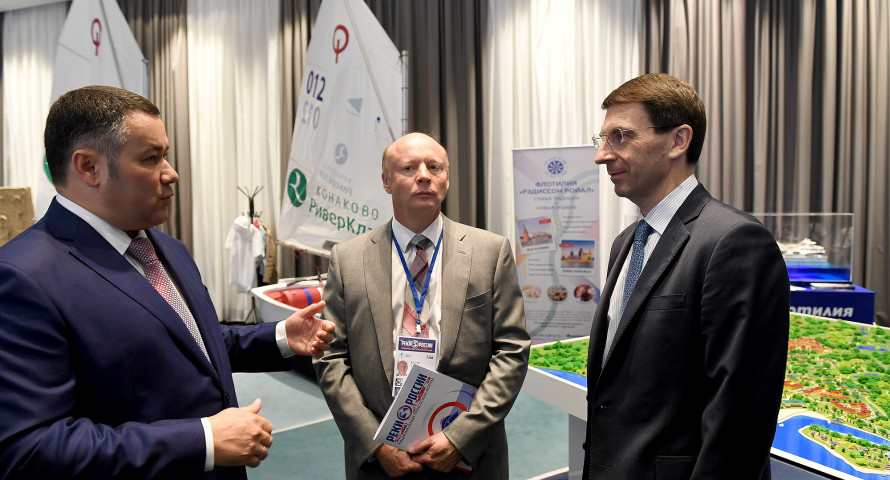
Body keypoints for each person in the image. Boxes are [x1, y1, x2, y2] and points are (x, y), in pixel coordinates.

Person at [0, 85, 335, 479]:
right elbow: (31, 450)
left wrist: (279, 336)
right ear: (89, 167)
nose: (171, 173)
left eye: (166, 154)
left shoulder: (164, 247)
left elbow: (189, 341)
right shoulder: (23, 278)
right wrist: (203, 440)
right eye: (150, 158)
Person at [583, 73, 789, 479]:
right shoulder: (626, 243)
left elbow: (740, 422)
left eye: (620, 137)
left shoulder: (736, 243)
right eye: (601, 139)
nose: (601, 155)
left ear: (679, 141)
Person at [314, 132, 530, 479]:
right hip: (379, 459)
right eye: (409, 168)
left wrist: (459, 438)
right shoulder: (348, 259)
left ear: (447, 178)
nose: (425, 176)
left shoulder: (490, 252)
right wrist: (376, 445)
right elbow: (331, 357)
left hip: (469, 456)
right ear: (386, 181)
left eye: (435, 167)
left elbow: (511, 350)